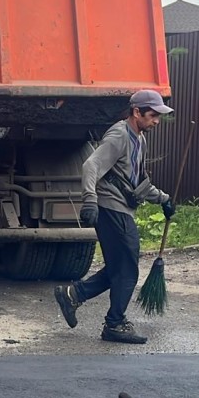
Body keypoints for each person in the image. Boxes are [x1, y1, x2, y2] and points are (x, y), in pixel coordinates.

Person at [53, 89, 176, 344]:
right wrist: (89, 200)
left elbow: (138, 183)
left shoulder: (139, 139)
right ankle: (115, 324)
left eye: (158, 116)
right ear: (136, 112)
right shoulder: (119, 135)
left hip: (122, 207)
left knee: (119, 267)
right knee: (127, 268)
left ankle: (73, 294)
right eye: (153, 115)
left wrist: (163, 199)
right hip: (110, 208)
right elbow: (91, 165)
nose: (156, 121)